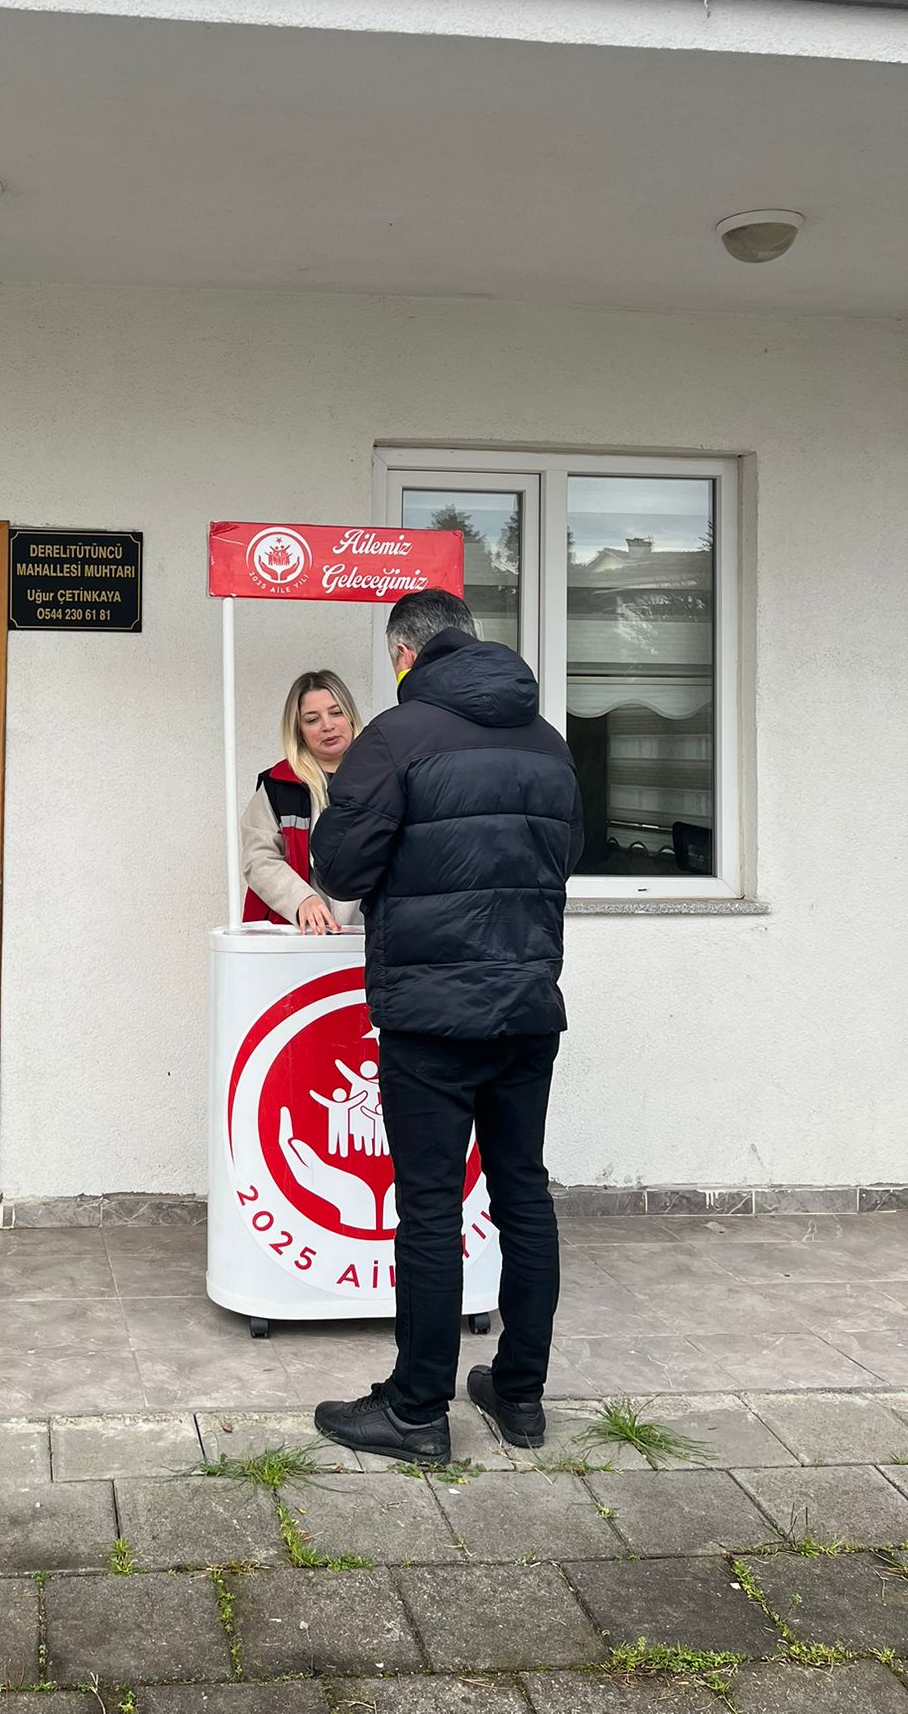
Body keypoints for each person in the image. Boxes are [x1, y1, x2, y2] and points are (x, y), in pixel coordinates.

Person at [307, 590, 583, 1463]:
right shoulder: (548, 742)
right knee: (522, 1192)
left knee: (429, 1206)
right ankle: (520, 1395)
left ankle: (417, 1411)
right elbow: (568, 853)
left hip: (430, 1015)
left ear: (404, 654)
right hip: (527, 1004)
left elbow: (341, 869)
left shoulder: (395, 737)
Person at [240, 671, 364, 933]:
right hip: (298, 936)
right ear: (298, 731)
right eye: (312, 719)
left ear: (351, 716)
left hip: (370, 937)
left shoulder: (384, 779)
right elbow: (258, 859)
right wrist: (302, 899)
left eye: (336, 713)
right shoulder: (278, 785)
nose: (327, 726)